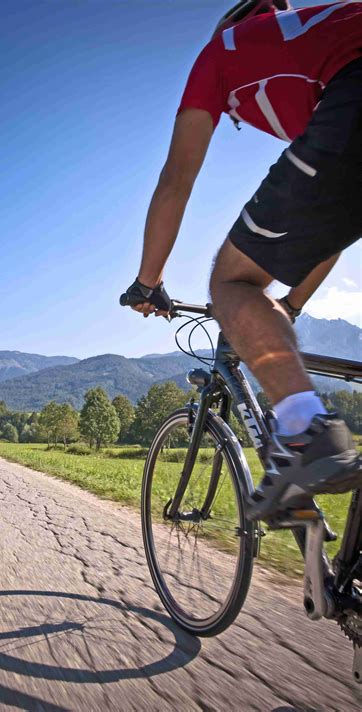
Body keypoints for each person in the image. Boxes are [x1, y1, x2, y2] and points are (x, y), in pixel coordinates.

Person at [121, 1, 362, 521]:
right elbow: (333, 221)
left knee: (231, 281)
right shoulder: (315, 43)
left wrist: (148, 282)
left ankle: (306, 436)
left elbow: (176, 178)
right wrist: (288, 307)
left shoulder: (221, 49)